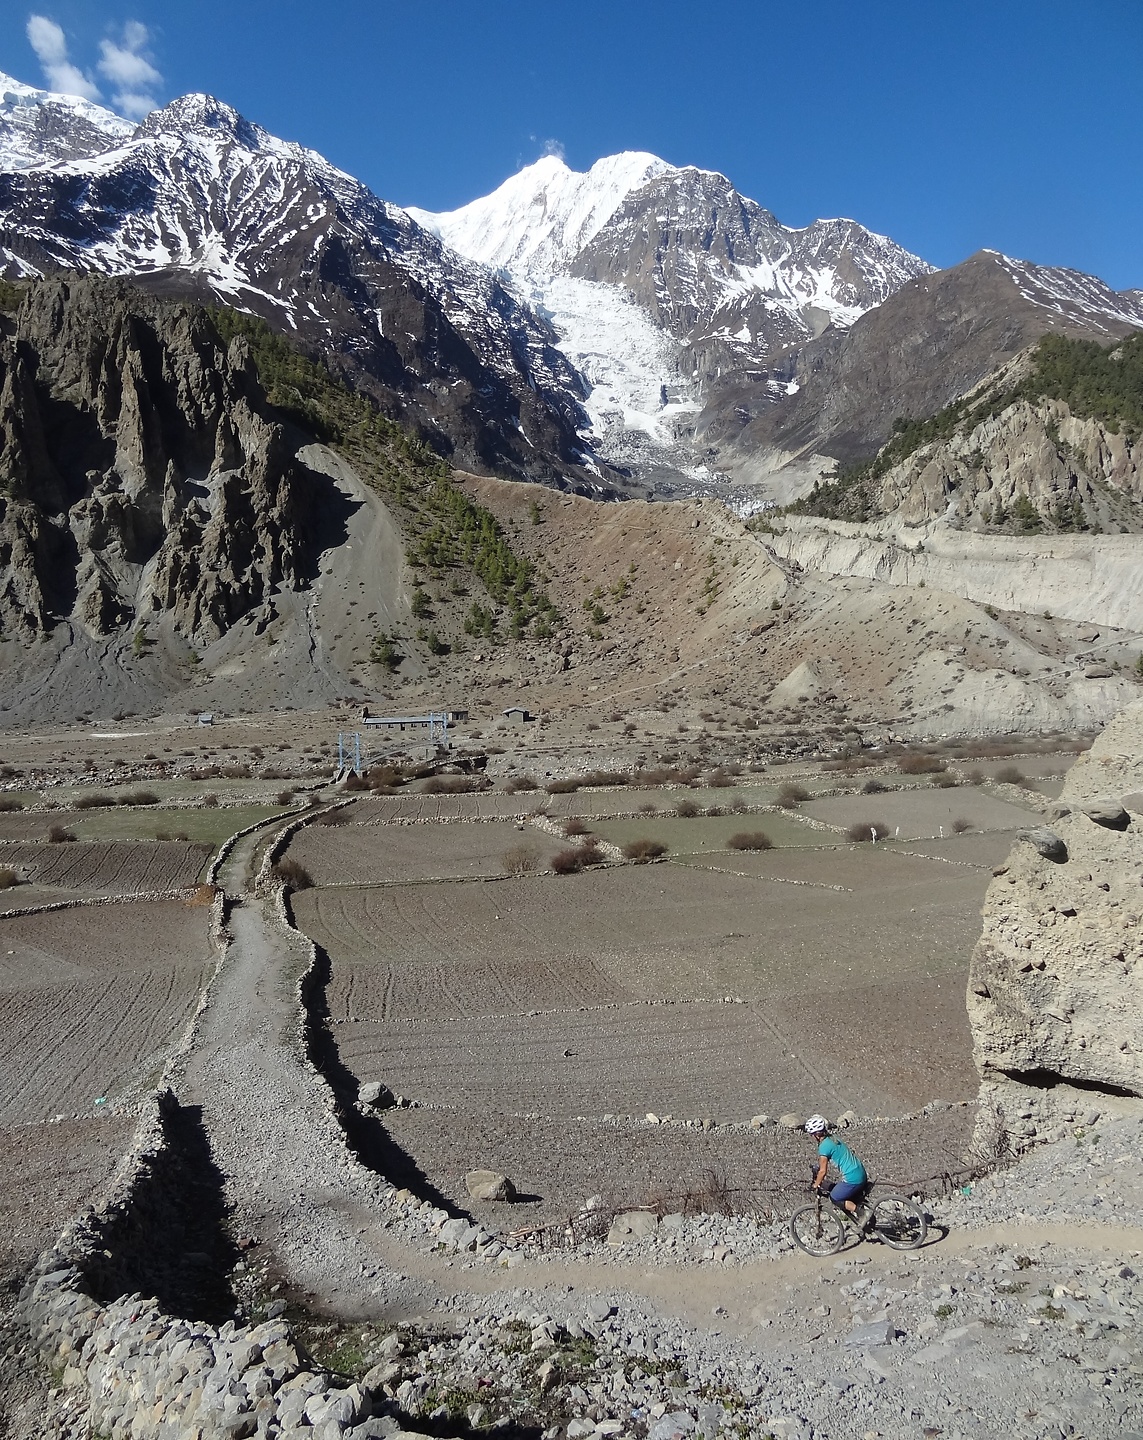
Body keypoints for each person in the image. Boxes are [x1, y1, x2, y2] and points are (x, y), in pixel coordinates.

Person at [805, 1115, 871, 1227]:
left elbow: (823, 1172)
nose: (811, 1137)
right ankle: (862, 1212)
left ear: (816, 1134)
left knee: (835, 1197)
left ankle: (862, 1213)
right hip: (860, 1171)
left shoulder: (824, 1147)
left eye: (811, 1134)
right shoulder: (833, 1138)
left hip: (853, 1178)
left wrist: (816, 1185)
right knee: (838, 1189)